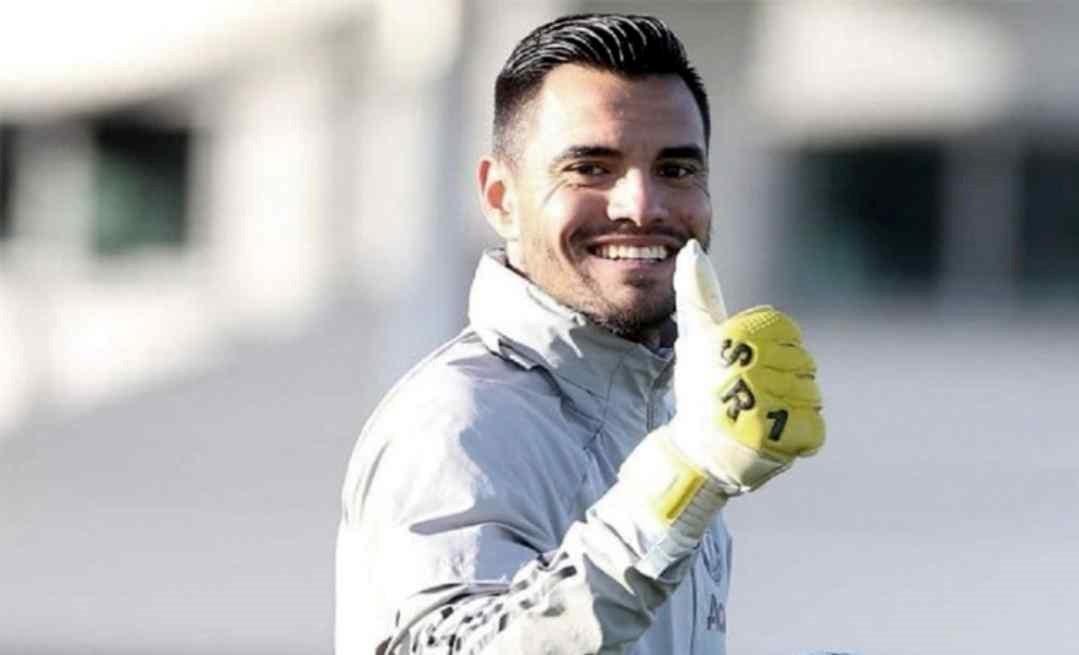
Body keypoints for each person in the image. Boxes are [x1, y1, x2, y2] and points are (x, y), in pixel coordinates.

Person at [335, 13, 825, 654]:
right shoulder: (460, 419)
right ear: (500, 197)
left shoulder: (669, 415)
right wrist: (683, 480)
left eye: (676, 170)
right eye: (591, 168)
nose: (641, 206)